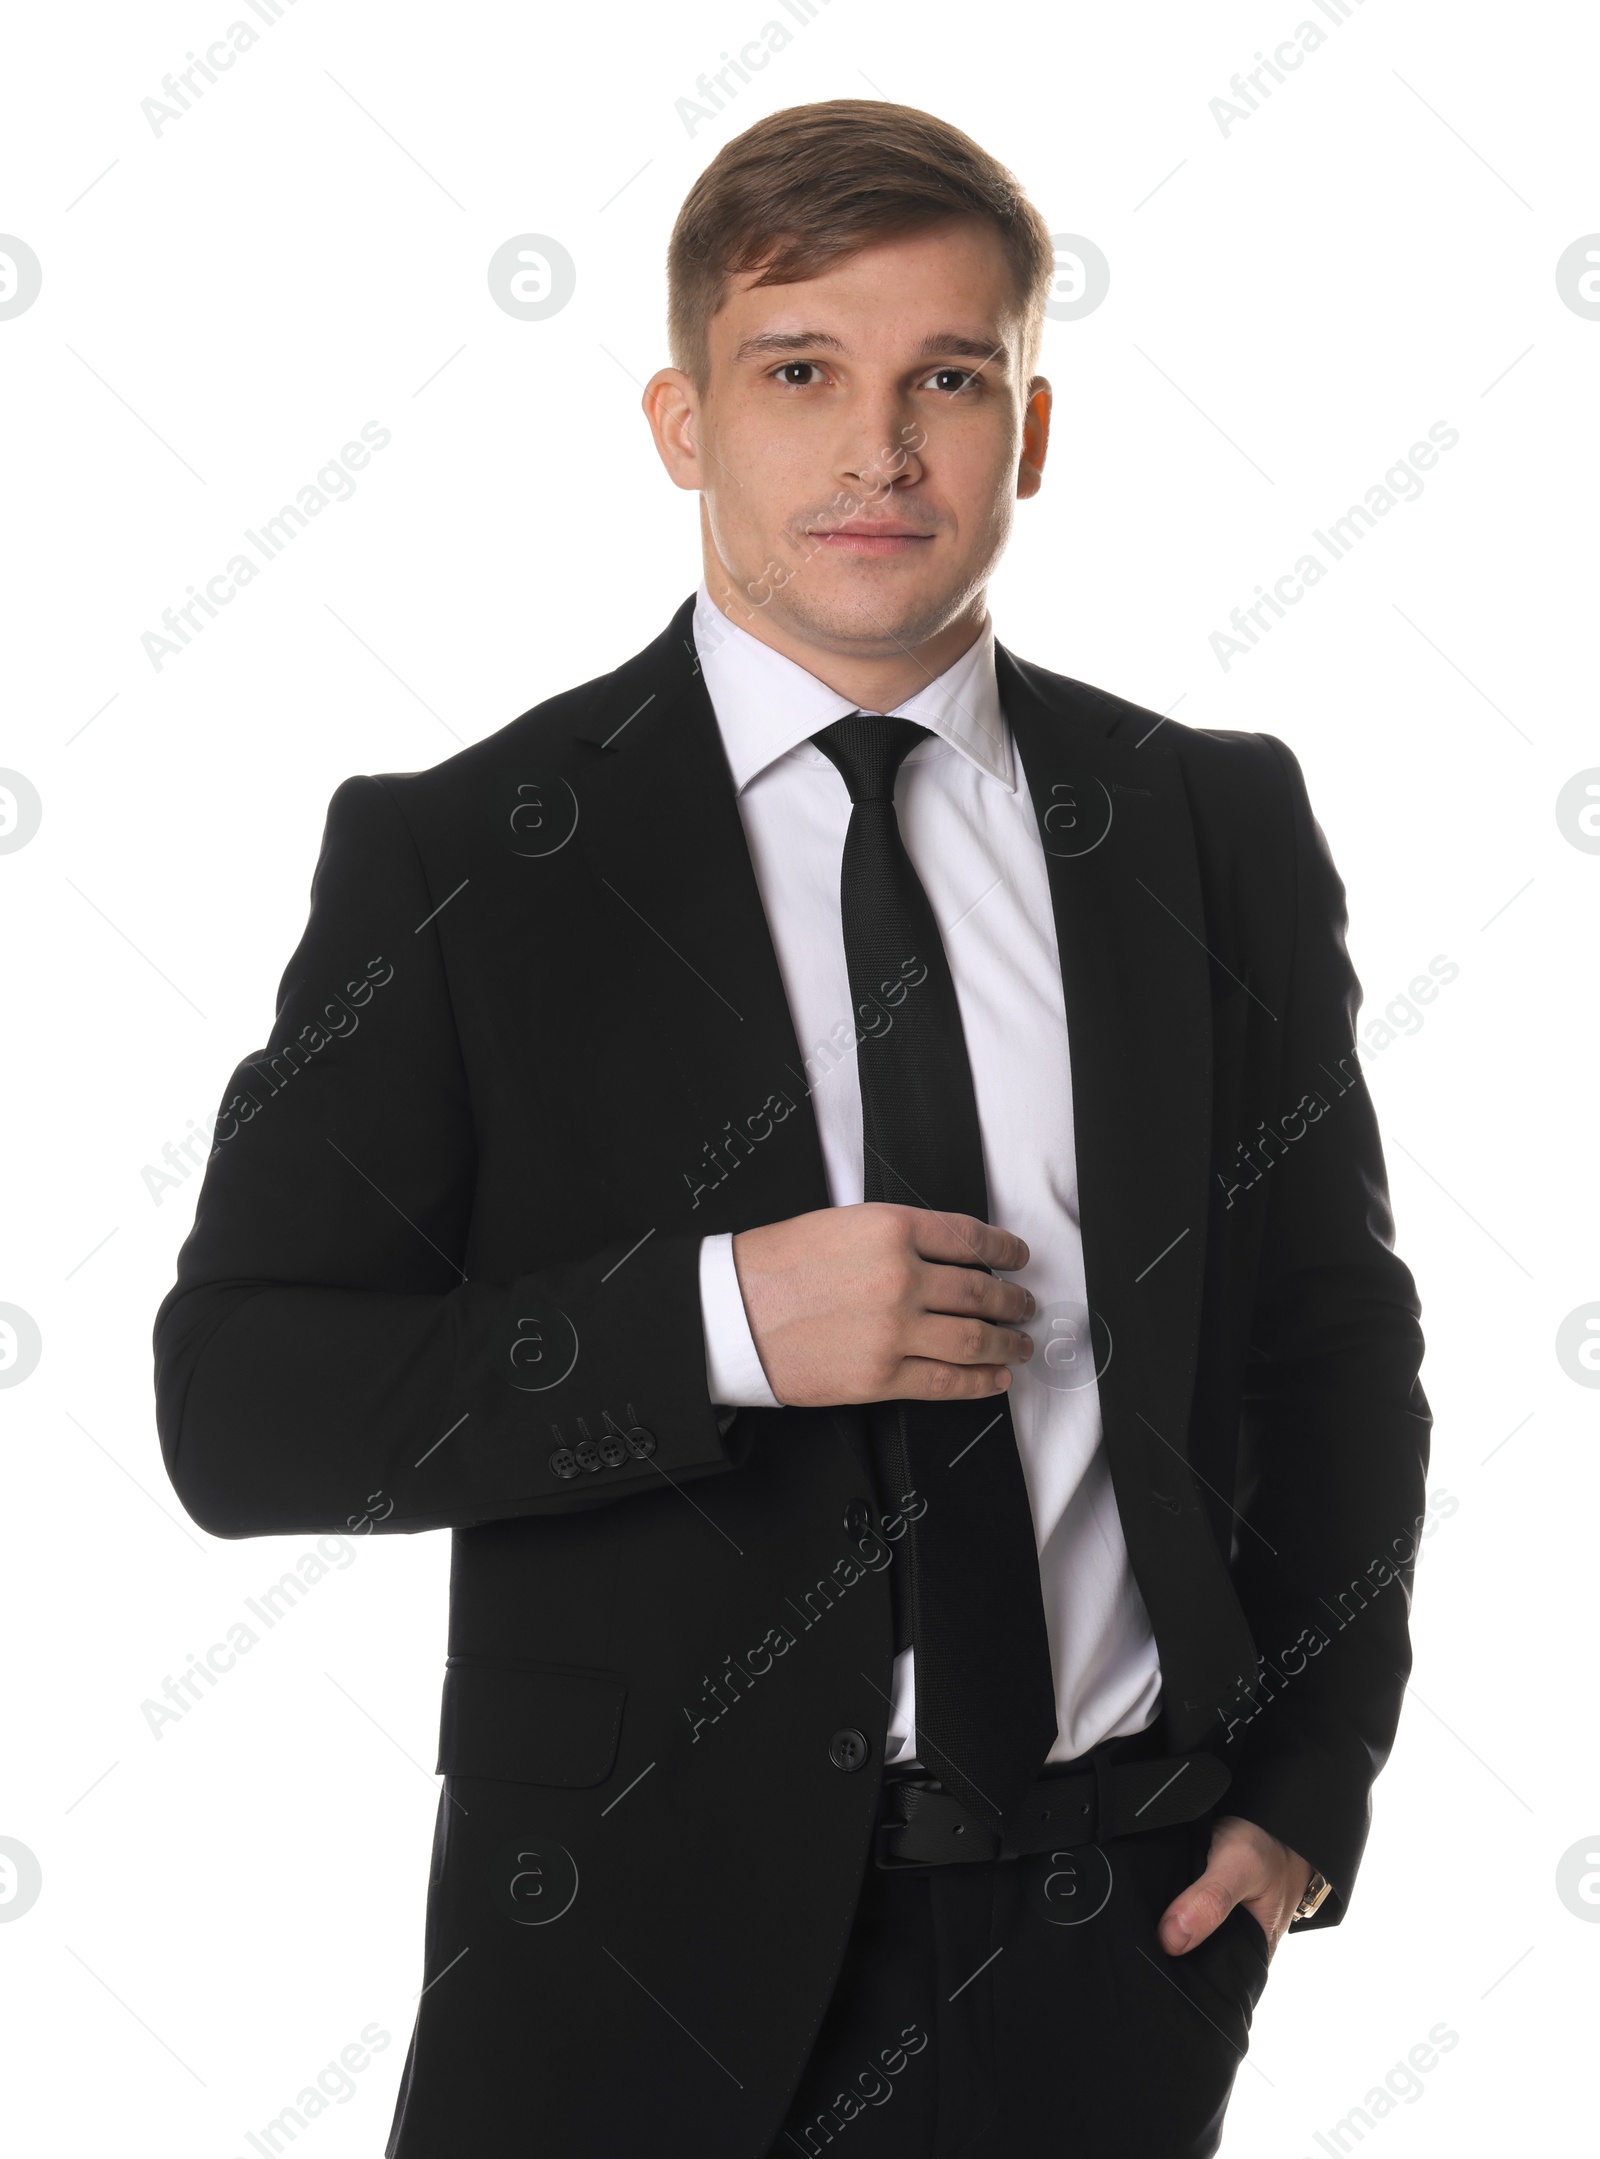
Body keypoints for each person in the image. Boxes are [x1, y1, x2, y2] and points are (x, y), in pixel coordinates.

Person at [153, 98, 1431, 2159]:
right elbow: (240, 1404)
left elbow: (1327, 1341)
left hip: (1115, 1946)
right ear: (682, 422)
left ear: (1028, 430)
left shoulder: (1207, 823)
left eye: (948, 378)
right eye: (799, 374)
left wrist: (1301, 1792)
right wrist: (719, 1325)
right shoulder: (467, 861)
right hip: (623, 1986)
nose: (879, 450)